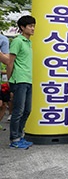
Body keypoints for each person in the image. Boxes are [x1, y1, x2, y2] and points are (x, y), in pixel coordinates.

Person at [6, 15, 35, 149]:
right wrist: (10, 80)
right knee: (18, 110)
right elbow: (10, 62)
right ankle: (14, 139)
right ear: (22, 27)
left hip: (28, 80)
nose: (33, 28)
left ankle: (19, 135)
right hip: (18, 80)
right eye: (30, 26)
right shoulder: (17, 41)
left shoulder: (29, 43)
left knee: (27, 110)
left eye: (33, 25)